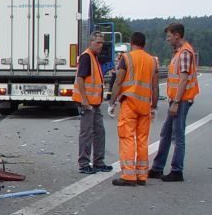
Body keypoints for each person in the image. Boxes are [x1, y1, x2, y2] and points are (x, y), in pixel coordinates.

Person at [149, 22, 200, 182]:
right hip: (177, 100)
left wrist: (176, 102)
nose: (167, 39)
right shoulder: (180, 52)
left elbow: (183, 79)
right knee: (166, 133)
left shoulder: (184, 53)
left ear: (177, 35)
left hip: (181, 100)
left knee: (177, 135)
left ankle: (177, 171)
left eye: (169, 35)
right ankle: (158, 168)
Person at [108, 32, 158, 186]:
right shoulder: (152, 61)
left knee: (127, 138)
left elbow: (118, 81)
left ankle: (129, 176)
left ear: (131, 43)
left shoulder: (127, 58)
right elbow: (155, 86)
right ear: (144, 44)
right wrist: (154, 106)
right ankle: (142, 175)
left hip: (129, 104)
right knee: (143, 140)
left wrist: (112, 102)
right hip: (145, 105)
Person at [72, 32, 112, 173]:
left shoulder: (94, 57)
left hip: (95, 103)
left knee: (99, 132)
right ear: (91, 42)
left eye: (102, 43)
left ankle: (98, 162)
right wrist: (84, 100)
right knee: (86, 133)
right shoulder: (87, 57)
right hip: (88, 103)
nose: (100, 45)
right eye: (98, 43)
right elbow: (81, 78)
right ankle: (84, 164)